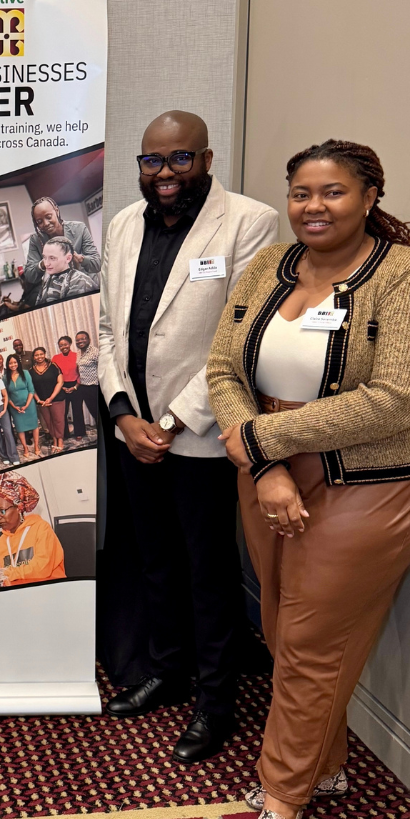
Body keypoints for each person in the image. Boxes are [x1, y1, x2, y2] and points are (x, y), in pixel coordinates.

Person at [207, 139, 410, 819]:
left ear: (370, 195)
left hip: (370, 481)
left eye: (332, 192)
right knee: (279, 623)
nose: (313, 206)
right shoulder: (268, 265)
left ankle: (281, 803)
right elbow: (222, 367)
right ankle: (323, 764)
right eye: (301, 192)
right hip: (268, 471)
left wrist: (260, 438)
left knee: (308, 643)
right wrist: (267, 461)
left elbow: (396, 400)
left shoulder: (408, 277)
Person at [97, 109, 279, 763]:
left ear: (205, 160)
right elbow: (107, 329)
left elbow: (237, 340)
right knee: (154, 560)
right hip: (133, 431)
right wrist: (123, 413)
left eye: (179, 159)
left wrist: (170, 421)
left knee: (208, 571)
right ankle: (166, 668)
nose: (165, 173)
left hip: (196, 436)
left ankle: (216, 703)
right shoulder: (121, 224)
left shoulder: (249, 223)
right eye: (152, 161)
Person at [22, 196, 101, 303]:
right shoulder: (36, 240)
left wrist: (80, 259)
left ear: (57, 211)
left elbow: (97, 264)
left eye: (48, 217)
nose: (45, 223)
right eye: (39, 221)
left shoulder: (79, 229)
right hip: (58, 291)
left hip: (86, 287)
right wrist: (44, 262)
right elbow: (30, 275)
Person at [0, 485, 66, 585]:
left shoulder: (41, 528)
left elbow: (42, 568)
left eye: (2, 511)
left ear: (18, 509)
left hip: (50, 588)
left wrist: (9, 573)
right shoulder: (1, 542)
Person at [36, 237, 98, 305]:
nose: (46, 263)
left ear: (68, 258)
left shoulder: (80, 281)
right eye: (44, 257)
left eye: (52, 258)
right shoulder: (47, 282)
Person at [4, 353, 41, 460]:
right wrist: (14, 407)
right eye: (10, 363)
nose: (13, 365)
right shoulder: (5, 378)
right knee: (20, 428)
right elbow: (6, 395)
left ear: (18, 363)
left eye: (15, 362)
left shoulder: (25, 373)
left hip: (29, 405)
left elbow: (31, 390)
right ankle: (25, 448)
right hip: (15, 407)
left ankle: (36, 446)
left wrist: (27, 405)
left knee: (34, 426)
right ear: (8, 364)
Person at [29, 347, 65, 453]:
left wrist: (51, 398)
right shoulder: (31, 371)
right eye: (36, 355)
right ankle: (54, 440)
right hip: (42, 402)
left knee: (58, 421)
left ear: (45, 354)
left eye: (41, 354)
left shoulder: (53, 366)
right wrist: (38, 400)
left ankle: (60, 441)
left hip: (56, 398)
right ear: (33, 357)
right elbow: (32, 388)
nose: (39, 357)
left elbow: (60, 382)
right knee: (49, 422)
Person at [51, 336, 86, 446]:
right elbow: (53, 375)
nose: (63, 347)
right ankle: (64, 433)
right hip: (61, 386)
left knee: (77, 410)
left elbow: (82, 372)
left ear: (70, 344)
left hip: (76, 386)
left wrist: (75, 386)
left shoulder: (77, 356)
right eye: (61, 345)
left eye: (65, 344)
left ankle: (79, 432)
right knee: (62, 412)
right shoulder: (55, 358)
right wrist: (61, 387)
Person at [73, 330, 100, 430]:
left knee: (99, 413)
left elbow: (102, 369)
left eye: (83, 339)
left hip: (95, 387)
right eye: (77, 340)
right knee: (93, 412)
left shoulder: (95, 352)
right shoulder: (78, 353)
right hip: (84, 387)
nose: (80, 341)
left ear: (89, 339)